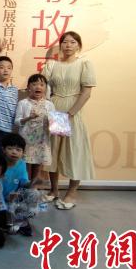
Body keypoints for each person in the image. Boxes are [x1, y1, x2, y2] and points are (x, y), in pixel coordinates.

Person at [41, 31, 96, 210]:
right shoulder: (52, 65)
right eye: (65, 42)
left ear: (78, 45)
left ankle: (72, 192)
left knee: (74, 150)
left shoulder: (84, 63)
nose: (68, 45)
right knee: (54, 150)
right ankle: (54, 190)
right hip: (56, 109)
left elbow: (86, 92)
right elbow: (43, 86)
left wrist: (71, 113)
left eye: (72, 42)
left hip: (73, 110)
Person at [15, 74, 55, 182]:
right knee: (25, 164)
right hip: (26, 140)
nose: (38, 87)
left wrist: (57, 128)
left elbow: (54, 123)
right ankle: (25, 186)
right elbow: (17, 122)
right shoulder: (23, 103)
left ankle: (33, 187)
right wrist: (29, 118)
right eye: (34, 84)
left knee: (38, 163)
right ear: (28, 87)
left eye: (42, 85)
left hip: (42, 140)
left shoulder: (50, 105)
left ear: (45, 88)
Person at [0, 133, 35, 237]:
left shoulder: (22, 164)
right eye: (10, 148)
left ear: (23, 152)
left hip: (14, 198)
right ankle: (10, 221)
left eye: (18, 150)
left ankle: (21, 219)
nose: (14, 152)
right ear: (3, 149)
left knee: (33, 193)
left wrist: (32, 184)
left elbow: (24, 183)